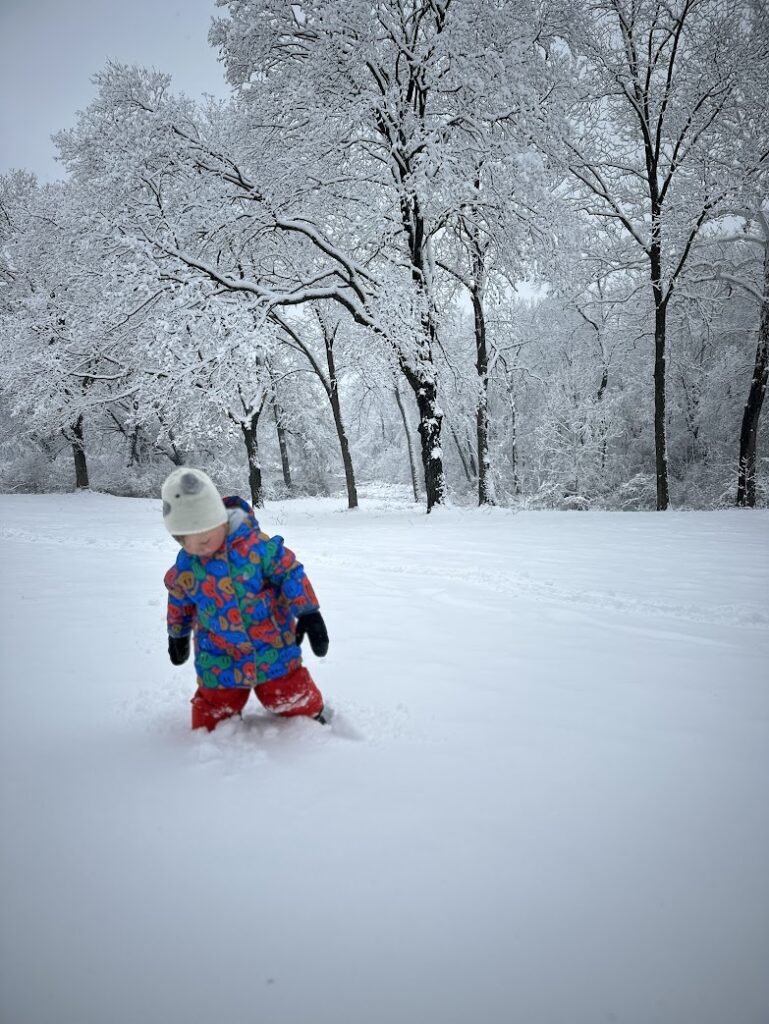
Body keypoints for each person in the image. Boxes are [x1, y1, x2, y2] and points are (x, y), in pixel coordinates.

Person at [161, 467, 329, 732]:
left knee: (287, 693)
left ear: (221, 520)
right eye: (186, 541)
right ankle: (212, 734)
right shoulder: (186, 566)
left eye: (205, 537)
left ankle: (311, 714)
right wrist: (177, 634)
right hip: (218, 650)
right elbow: (179, 598)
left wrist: (309, 612)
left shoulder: (257, 547)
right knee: (214, 710)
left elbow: (289, 571)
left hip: (272, 642)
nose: (199, 547)